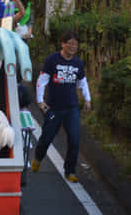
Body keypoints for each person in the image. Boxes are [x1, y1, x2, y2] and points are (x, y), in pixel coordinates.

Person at [31, 30, 92, 183]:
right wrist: (40, 101)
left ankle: (69, 170)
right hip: (53, 108)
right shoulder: (52, 60)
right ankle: (38, 157)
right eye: (69, 43)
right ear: (63, 44)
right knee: (46, 138)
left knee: (74, 140)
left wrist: (87, 99)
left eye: (75, 44)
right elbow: (42, 80)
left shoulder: (78, 63)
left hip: (71, 108)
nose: (72, 46)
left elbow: (82, 83)